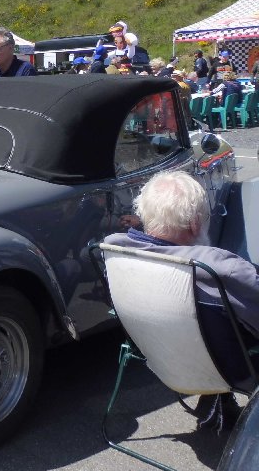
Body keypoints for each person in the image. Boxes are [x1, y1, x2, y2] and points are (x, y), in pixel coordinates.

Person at [104, 170, 259, 428]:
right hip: (230, 370)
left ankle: (217, 403)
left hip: (162, 360)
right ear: (195, 224)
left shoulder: (115, 252)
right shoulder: (221, 268)